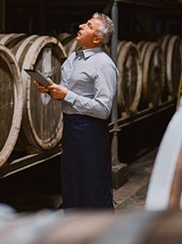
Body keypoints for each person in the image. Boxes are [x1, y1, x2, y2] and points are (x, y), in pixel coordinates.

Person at [34, 13, 119, 211]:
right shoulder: (74, 57)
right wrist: (51, 89)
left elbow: (104, 109)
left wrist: (67, 96)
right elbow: (68, 92)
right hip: (71, 130)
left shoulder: (104, 65)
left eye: (88, 25)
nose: (81, 25)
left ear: (97, 39)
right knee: (72, 186)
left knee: (93, 187)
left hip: (91, 133)